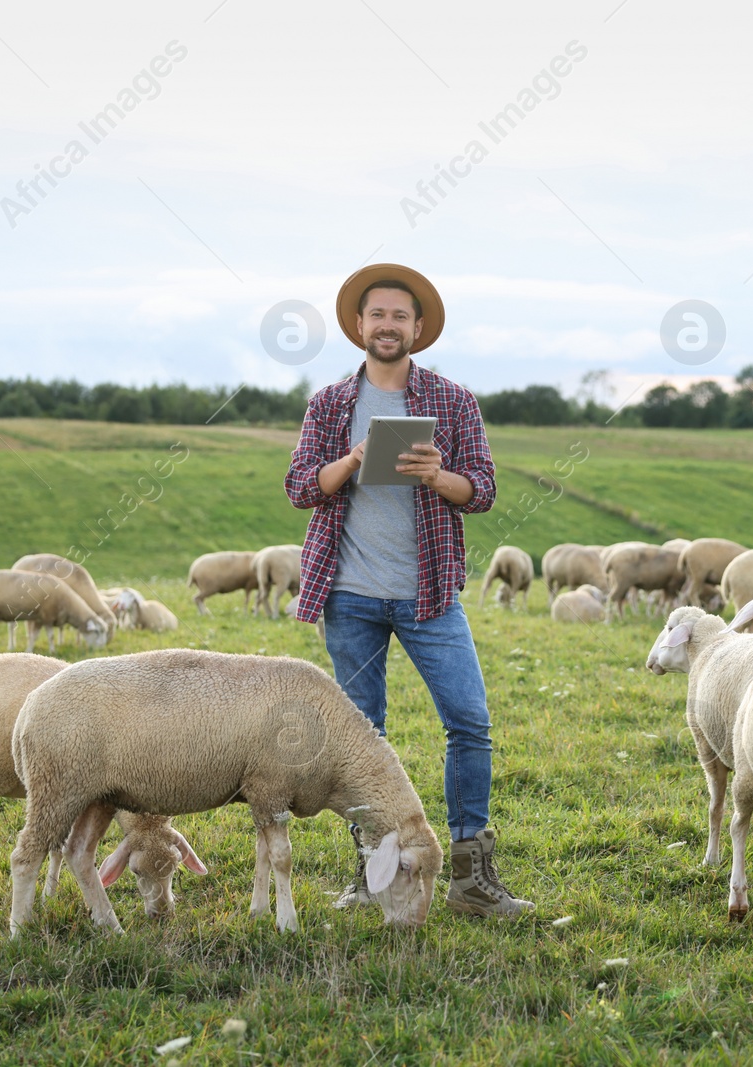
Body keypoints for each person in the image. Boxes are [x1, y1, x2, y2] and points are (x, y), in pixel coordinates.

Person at [283, 263, 533, 918]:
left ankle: (472, 879)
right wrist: (354, 460)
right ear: (359, 326)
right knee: (364, 736)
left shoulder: (452, 401)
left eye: (401, 316)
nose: (388, 325)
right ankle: (373, 872)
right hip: (349, 598)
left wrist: (439, 475)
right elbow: (300, 485)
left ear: (417, 329)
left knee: (469, 719)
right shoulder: (330, 405)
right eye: (378, 315)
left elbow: (482, 489)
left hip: (429, 594)